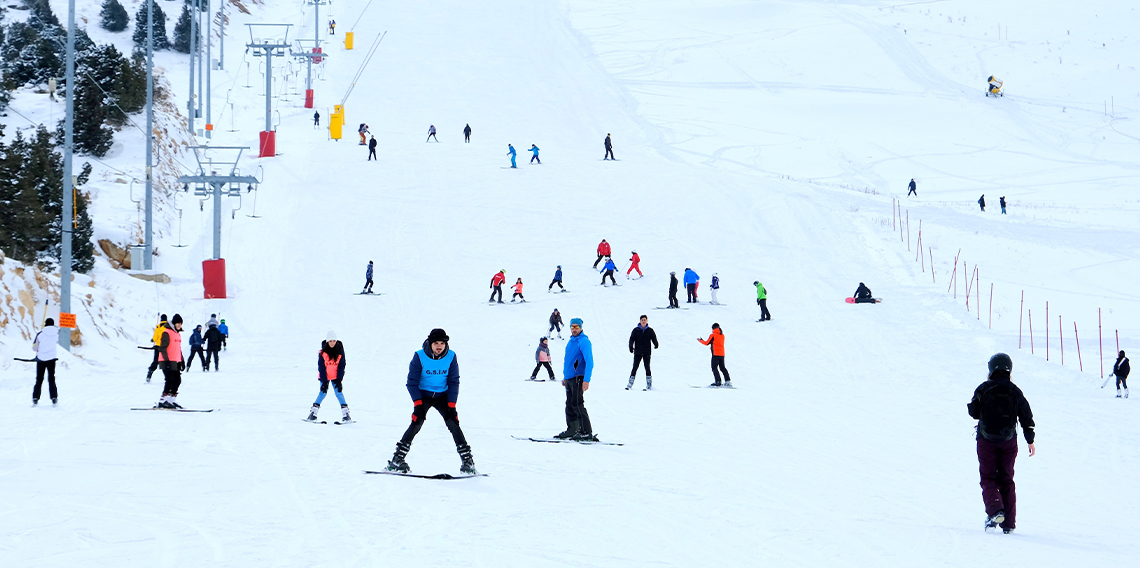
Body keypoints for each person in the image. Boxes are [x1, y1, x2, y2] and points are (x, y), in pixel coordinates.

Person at [386, 328, 476, 474]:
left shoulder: (451, 356)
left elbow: (454, 381)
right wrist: (418, 403)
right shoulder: (419, 356)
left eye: (442, 343)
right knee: (416, 422)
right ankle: (397, 460)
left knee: (453, 423)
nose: (439, 346)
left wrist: (452, 405)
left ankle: (468, 462)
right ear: (430, 343)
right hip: (423, 395)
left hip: (443, 396)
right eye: (436, 343)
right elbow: (412, 382)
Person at [967, 353, 1035, 534]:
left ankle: (996, 510)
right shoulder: (1015, 390)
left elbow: (973, 412)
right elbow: (1026, 416)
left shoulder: (984, 388)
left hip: (986, 440)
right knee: (1007, 479)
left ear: (991, 369)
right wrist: (1030, 440)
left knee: (988, 477)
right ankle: (1009, 524)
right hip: (1008, 442)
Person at [557, 318, 596, 441]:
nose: (574, 329)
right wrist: (565, 377)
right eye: (572, 327)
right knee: (569, 404)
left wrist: (586, 379)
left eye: (576, 327)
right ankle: (573, 429)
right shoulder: (571, 341)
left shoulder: (584, 341)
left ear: (581, 328)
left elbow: (589, 361)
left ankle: (586, 431)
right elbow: (568, 360)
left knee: (578, 404)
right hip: (569, 378)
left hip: (578, 377)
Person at [305, 331, 352, 423]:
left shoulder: (340, 352)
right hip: (325, 377)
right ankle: (313, 414)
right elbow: (321, 367)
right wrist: (324, 381)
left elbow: (342, 366)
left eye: (334, 341)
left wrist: (339, 380)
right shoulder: (322, 353)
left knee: (339, 393)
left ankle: (346, 415)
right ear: (327, 342)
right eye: (330, 341)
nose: (332, 343)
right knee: (322, 393)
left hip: (335, 377)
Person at [156, 314, 186, 409]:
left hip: (175, 360)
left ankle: (171, 400)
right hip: (166, 360)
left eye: (180, 323)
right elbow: (163, 348)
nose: (179, 325)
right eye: (177, 323)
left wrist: (182, 360)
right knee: (169, 380)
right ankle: (162, 400)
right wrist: (167, 361)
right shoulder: (166, 332)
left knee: (177, 380)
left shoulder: (177, 334)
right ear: (173, 323)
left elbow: (178, 349)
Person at [31, 318, 60, 406]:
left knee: (39, 379)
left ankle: (36, 398)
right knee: (51, 378)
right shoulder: (57, 334)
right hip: (52, 359)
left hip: (41, 359)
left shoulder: (40, 334)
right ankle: (54, 397)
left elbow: (34, 348)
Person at [627, 315, 658, 390]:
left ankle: (649, 384)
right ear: (640, 321)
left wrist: (656, 344)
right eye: (642, 320)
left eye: (645, 320)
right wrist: (631, 347)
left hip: (646, 352)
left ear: (647, 321)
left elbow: (654, 338)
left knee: (647, 367)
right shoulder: (636, 330)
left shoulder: (650, 330)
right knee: (635, 367)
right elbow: (632, 339)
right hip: (638, 352)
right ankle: (630, 383)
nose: (643, 321)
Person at [698, 323, 731, 387]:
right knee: (722, 368)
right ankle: (728, 381)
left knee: (714, 368)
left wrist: (700, 340)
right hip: (722, 354)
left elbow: (706, 343)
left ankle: (718, 382)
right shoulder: (722, 335)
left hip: (715, 354)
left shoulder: (713, 335)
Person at [146, 314, 168, 382]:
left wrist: (153, 340)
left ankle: (150, 373)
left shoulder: (158, 328)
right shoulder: (168, 328)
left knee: (156, 361)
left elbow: (155, 338)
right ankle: (167, 378)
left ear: (161, 320)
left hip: (157, 347)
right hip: (165, 347)